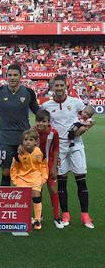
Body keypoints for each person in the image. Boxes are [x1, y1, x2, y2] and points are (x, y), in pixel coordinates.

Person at [42, 75, 95, 229]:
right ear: (51, 87)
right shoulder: (46, 106)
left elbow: (91, 118)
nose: (59, 88)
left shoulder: (76, 102)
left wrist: (83, 129)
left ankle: (85, 215)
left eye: (61, 85)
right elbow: (43, 125)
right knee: (62, 181)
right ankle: (65, 214)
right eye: (56, 86)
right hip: (59, 148)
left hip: (76, 145)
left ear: (66, 86)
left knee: (81, 179)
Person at [0, 64, 40, 186]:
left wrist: (40, 124)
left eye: (15, 75)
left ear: (20, 76)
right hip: (5, 138)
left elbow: (37, 112)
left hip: (24, 139)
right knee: (6, 172)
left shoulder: (28, 92)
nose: (12, 78)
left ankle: (22, 203)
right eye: (10, 75)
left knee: (24, 171)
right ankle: (5, 203)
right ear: (6, 76)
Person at [10, 129, 49, 230]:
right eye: (26, 139)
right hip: (22, 178)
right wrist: (14, 180)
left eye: (31, 139)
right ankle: (22, 218)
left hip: (36, 177)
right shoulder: (19, 153)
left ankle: (37, 219)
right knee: (21, 199)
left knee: (36, 195)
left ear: (36, 142)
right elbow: (14, 167)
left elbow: (44, 166)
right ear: (22, 141)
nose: (28, 141)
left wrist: (44, 178)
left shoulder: (40, 153)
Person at [34, 109, 63, 229]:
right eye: (38, 121)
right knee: (38, 190)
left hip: (49, 164)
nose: (41, 124)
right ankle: (38, 217)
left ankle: (57, 217)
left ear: (48, 122)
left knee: (53, 189)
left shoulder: (53, 133)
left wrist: (54, 167)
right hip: (36, 166)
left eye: (44, 121)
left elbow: (56, 149)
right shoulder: (32, 131)